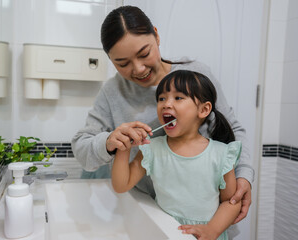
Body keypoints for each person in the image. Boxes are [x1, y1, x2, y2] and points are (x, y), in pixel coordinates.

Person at [71, 5, 254, 226]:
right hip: (149, 215)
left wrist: (243, 175)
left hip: (208, 220)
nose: (138, 69)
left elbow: (232, 129)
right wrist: (109, 142)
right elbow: (82, 147)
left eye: (144, 54)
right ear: (111, 61)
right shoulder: (112, 92)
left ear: (156, 35)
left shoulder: (197, 75)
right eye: (123, 63)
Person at [112, 69, 242, 240]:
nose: (166, 104)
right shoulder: (152, 150)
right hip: (165, 232)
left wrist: (212, 230)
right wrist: (123, 149)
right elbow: (121, 185)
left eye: (178, 98)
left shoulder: (221, 154)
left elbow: (231, 202)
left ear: (204, 109)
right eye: (161, 99)